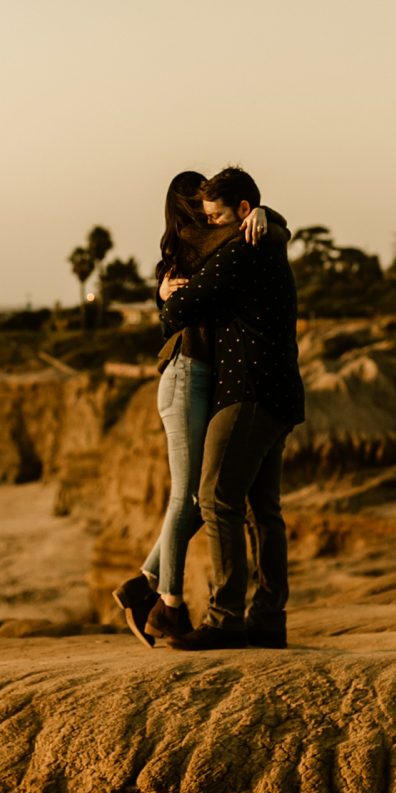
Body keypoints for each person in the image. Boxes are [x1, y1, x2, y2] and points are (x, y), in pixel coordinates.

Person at [112, 172, 275, 646]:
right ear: (191, 206)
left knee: (203, 498)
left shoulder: (198, 243)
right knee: (189, 497)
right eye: (203, 199)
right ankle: (169, 605)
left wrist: (264, 214)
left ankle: (142, 584)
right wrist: (266, 216)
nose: (212, 208)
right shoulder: (198, 240)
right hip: (186, 376)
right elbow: (243, 231)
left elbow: (246, 228)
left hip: (197, 378)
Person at [158, 166, 304, 651]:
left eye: (218, 216)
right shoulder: (267, 242)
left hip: (247, 389)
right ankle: (267, 618)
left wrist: (167, 294)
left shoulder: (242, 249)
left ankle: (224, 618)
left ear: (242, 212)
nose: (213, 225)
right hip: (281, 390)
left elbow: (181, 310)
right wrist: (271, 216)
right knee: (264, 509)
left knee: (217, 496)